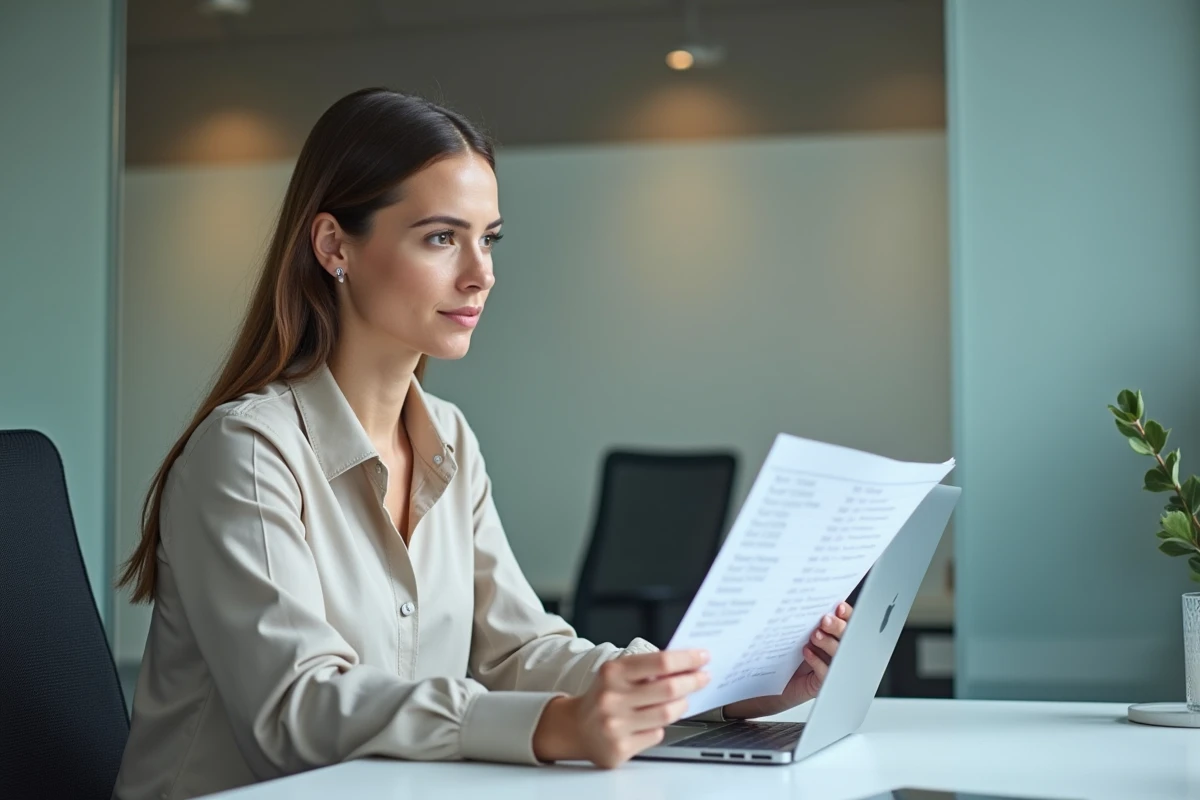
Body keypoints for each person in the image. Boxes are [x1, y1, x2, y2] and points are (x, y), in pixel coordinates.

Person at [112, 88, 854, 800]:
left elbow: (518, 651)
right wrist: (552, 726)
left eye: (488, 239)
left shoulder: (450, 440)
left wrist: (722, 686)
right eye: (442, 238)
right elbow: (296, 712)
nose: (481, 274)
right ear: (335, 244)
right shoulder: (245, 452)